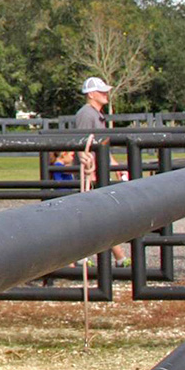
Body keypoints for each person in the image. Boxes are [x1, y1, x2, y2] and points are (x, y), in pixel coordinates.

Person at [73, 76, 129, 265]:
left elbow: (103, 147)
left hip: (98, 170)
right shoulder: (87, 114)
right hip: (91, 172)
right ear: (91, 94)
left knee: (101, 213)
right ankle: (115, 256)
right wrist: (85, 162)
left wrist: (118, 169)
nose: (106, 94)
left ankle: (117, 256)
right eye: (101, 91)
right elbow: (81, 142)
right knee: (98, 213)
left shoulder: (96, 115)